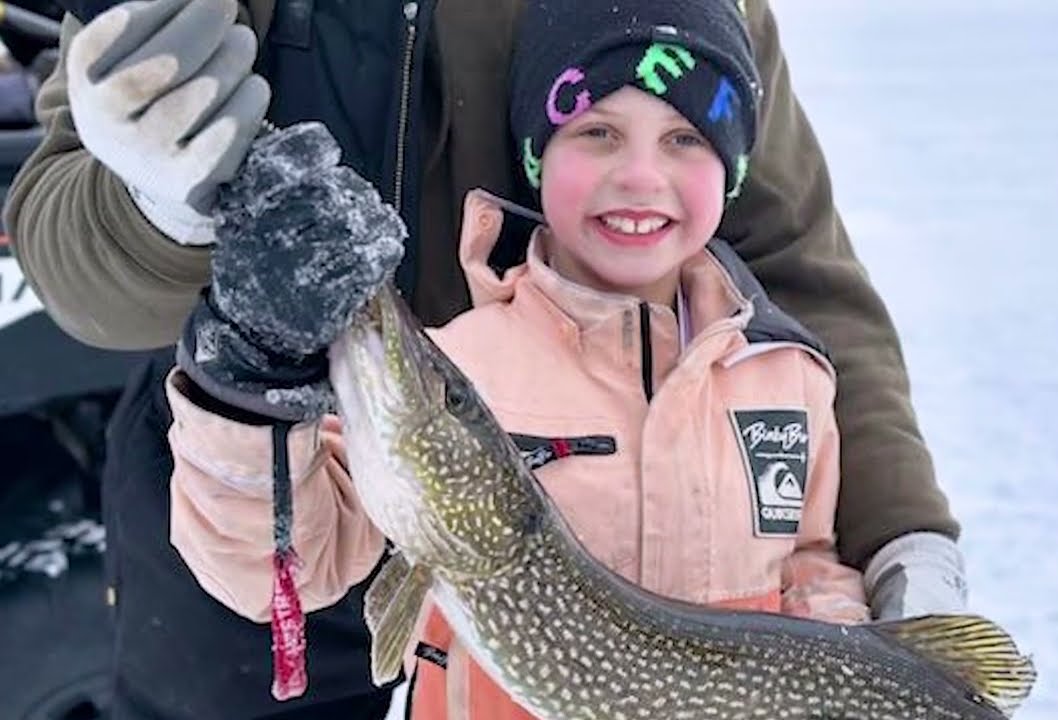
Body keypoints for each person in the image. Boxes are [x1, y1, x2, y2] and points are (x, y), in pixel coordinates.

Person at [3, 0, 965, 717]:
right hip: (263, 486)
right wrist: (157, 197)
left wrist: (900, 541)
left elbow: (794, 266)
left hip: (547, 510)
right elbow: (70, 263)